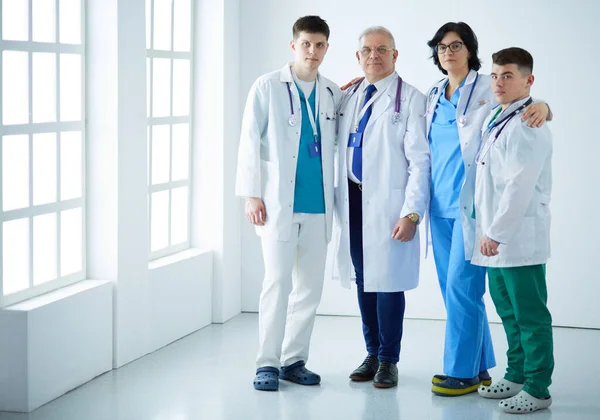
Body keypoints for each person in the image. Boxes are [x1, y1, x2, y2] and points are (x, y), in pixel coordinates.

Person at [424, 22, 551, 396]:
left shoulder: (488, 87)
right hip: (438, 206)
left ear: (470, 49)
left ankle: (461, 371)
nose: (449, 51)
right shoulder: (432, 93)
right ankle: (479, 366)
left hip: (472, 209)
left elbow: (524, 110)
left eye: (457, 45)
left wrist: (545, 106)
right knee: (454, 294)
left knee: (464, 290)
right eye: (442, 46)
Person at [235, 15, 341, 392]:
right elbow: (249, 141)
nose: (313, 51)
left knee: (308, 290)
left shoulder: (332, 92)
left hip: (318, 207)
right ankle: (266, 362)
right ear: (293, 45)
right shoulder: (267, 86)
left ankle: (294, 360)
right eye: (306, 43)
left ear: (327, 47)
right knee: (276, 284)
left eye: (320, 44)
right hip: (278, 205)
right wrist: (251, 194)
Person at [333, 26, 430, 389]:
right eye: (367, 50)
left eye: (382, 49)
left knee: (388, 283)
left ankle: (389, 359)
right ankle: (372, 352)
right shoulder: (350, 94)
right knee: (364, 279)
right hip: (354, 199)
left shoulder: (412, 100)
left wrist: (412, 213)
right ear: (358, 56)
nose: (374, 55)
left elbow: (421, 162)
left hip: (391, 205)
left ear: (395, 55)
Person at [472, 47, 553, 414]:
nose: (498, 82)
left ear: (528, 80)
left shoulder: (528, 124)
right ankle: (518, 372)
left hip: (516, 238)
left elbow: (519, 186)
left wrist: (497, 233)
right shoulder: (499, 116)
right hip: (496, 237)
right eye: (494, 75)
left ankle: (538, 387)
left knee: (530, 314)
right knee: (507, 310)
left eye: (507, 75)